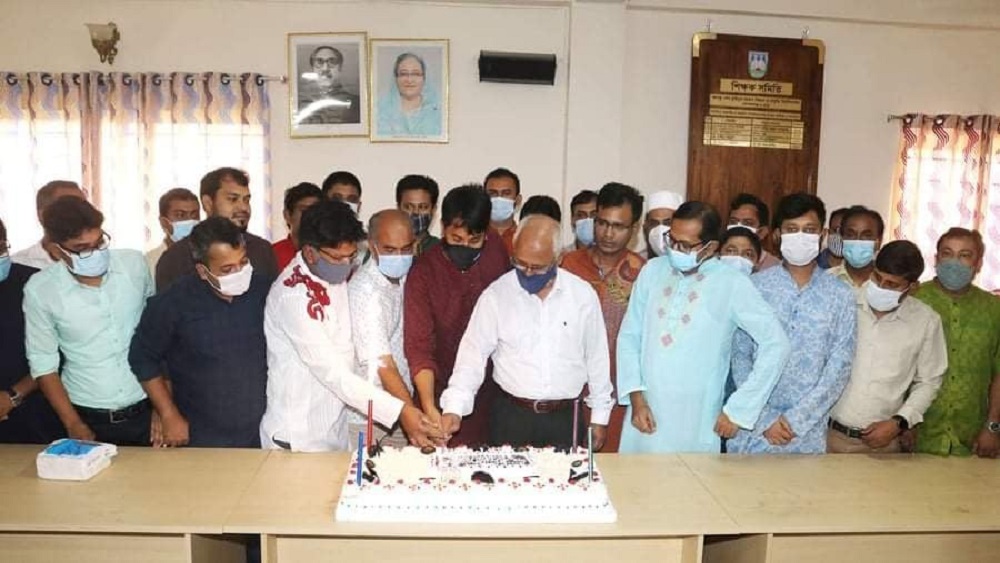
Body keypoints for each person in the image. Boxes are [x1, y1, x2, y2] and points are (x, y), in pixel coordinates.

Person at [260, 200, 443, 451]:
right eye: (338, 258)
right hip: (298, 435)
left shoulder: (330, 274)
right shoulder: (292, 296)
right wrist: (401, 410)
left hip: (334, 428)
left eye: (352, 256)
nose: (347, 264)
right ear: (310, 252)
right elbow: (334, 373)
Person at [617, 201, 789, 453]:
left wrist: (739, 409)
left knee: (690, 478)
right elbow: (630, 336)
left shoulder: (731, 282)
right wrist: (636, 397)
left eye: (685, 245)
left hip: (696, 419)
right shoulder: (652, 271)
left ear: (711, 247)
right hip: (645, 412)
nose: (675, 249)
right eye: (672, 240)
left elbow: (776, 344)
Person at [441, 215, 614, 449]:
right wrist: (454, 408)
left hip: (565, 418)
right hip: (512, 417)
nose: (528, 273)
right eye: (520, 264)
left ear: (558, 258)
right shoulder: (496, 296)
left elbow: (597, 358)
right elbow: (472, 356)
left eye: (538, 267)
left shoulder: (582, 296)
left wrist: (599, 417)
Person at [729, 193, 856, 455]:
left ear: (822, 234)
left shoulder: (840, 295)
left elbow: (839, 366)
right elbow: (740, 355)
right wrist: (765, 418)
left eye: (809, 230)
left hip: (806, 434)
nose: (800, 236)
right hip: (753, 427)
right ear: (777, 235)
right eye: (791, 229)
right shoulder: (755, 287)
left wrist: (796, 421)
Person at [24, 197, 154, 446]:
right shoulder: (41, 290)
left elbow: (158, 336)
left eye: (99, 242)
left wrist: (163, 408)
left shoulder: (134, 265)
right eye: (82, 248)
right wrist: (73, 423)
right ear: (56, 251)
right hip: (87, 416)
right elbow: (43, 363)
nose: (95, 253)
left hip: (146, 408)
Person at [129, 217, 269, 448]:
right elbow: (142, 357)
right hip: (201, 433)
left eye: (243, 262)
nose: (239, 272)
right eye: (227, 269)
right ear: (203, 271)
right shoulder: (173, 303)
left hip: (261, 429)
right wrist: (167, 413)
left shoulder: (264, 290)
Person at [404, 184, 510, 446]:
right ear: (443, 227)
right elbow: (419, 348)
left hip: (491, 393)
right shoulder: (424, 273)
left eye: (474, 241)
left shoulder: (496, 251)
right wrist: (429, 407)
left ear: (486, 232)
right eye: (456, 239)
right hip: (436, 390)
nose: (465, 247)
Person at [828, 240, 946, 454]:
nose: (881, 287)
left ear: (912, 287)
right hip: (830, 436)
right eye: (877, 278)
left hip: (884, 444)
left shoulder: (926, 321)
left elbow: (929, 381)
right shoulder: (845, 303)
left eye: (892, 284)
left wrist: (899, 422)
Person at [559, 183, 647, 452]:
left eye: (618, 226)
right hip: (568, 389)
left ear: (634, 229)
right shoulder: (567, 265)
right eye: (602, 223)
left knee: (615, 468)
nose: (608, 234)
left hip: (620, 390)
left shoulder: (643, 273)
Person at [910, 228, 1000, 458]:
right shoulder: (914, 300)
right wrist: (902, 423)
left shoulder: (994, 309)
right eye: (947, 254)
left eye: (964, 255)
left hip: (972, 438)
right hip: (917, 433)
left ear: (978, 264)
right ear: (936, 259)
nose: (954, 262)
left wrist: (992, 426)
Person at [347, 210, 418, 448]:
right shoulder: (364, 291)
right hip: (367, 416)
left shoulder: (408, 276)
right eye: (389, 250)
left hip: (400, 407)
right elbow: (382, 364)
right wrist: (411, 414)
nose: (399, 256)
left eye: (406, 249)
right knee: (366, 472)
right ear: (372, 245)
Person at [156, 167, 278, 292]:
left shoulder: (262, 250)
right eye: (233, 199)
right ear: (208, 203)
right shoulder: (176, 258)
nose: (243, 207)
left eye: (246, 200)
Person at [0, 218, 63, 444]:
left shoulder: (35, 283)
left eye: (1, 248)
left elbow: (60, 350)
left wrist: (13, 396)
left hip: (36, 412)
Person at [12, 180, 85, 270]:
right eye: (67, 208)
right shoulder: (17, 265)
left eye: (83, 207)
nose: (79, 214)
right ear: (42, 215)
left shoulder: (98, 262)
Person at [827, 206, 884, 308]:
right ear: (842, 238)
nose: (858, 241)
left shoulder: (888, 285)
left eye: (866, 236)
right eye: (850, 235)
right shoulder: (825, 280)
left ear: (878, 241)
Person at [376, 52, 443, 137]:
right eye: (403, 74)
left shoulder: (438, 112)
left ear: (424, 78)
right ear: (396, 78)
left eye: (416, 74)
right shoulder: (380, 111)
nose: (409, 80)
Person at [296, 46, 362, 125]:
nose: (325, 69)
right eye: (319, 62)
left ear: (340, 68)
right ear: (313, 68)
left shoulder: (356, 103)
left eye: (332, 62)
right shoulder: (298, 102)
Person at [146, 188, 200, 276]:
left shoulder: (207, 257)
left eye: (195, 215)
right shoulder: (150, 262)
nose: (190, 220)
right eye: (180, 215)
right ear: (164, 222)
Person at [273, 183, 323, 272]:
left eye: (315, 211)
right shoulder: (271, 255)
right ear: (287, 215)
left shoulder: (331, 255)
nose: (310, 216)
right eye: (304, 211)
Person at [727, 193, 780, 271]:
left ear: (762, 232)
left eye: (747, 223)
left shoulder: (774, 267)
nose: (739, 227)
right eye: (733, 222)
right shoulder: (717, 261)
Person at [396, 174, 440, 255]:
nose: (415, 212)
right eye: (409, 207)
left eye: (422, 207)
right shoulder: (383, 248)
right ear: (398, 208)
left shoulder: (442, 252)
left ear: (433, 210)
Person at [485, 167, 521, 256]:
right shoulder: (473, 238)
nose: (499, 198)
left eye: (506, 193)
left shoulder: (524, 238)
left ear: (517, 200)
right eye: (493, 193)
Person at [641, 190, 684, 259]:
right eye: (654, 224)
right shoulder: (637, 262)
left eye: (668, 223)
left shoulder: (692, 261)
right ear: (645, 227)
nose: (660, 229)